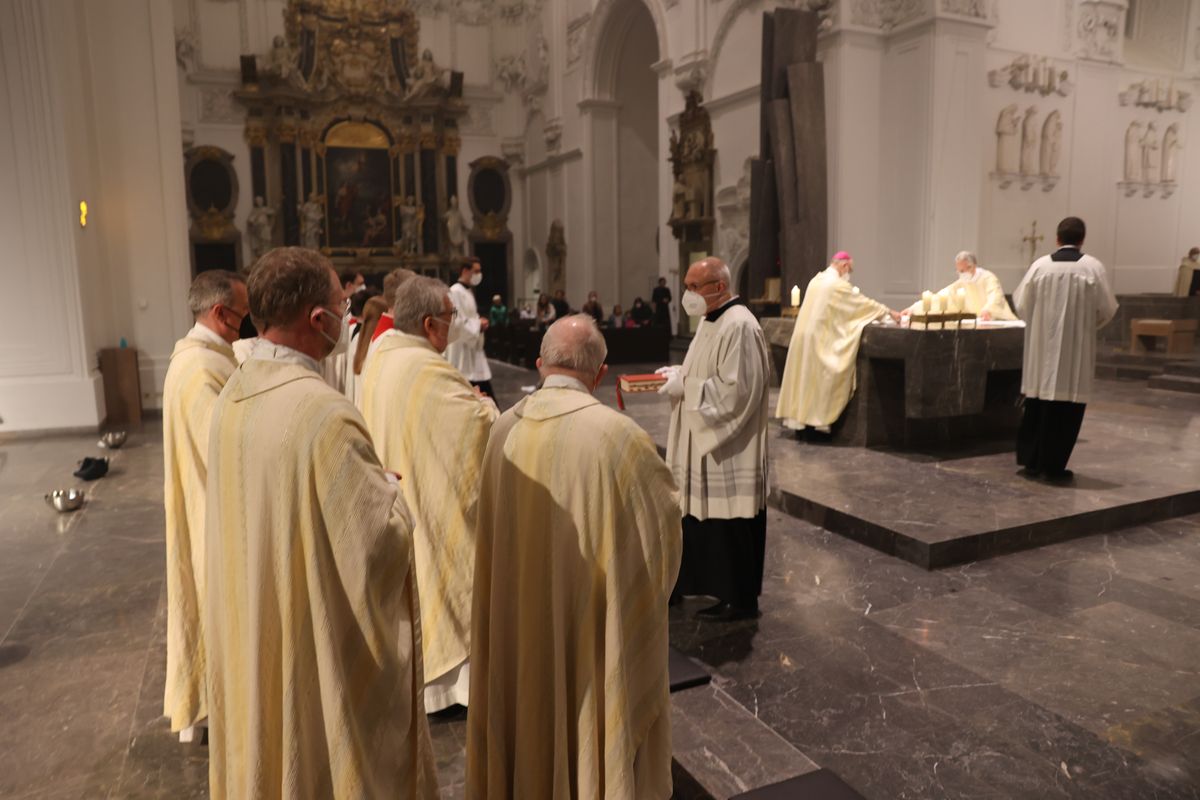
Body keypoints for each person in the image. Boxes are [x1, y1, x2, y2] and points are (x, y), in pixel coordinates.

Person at [205, 247, 437, 799]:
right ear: (318, 319)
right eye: (342, 302)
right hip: (307, 631)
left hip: (254, 612)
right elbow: (374, 543)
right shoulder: (324, 413)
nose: (346, 311)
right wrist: (392, 494)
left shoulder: (234, 392)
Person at [467, 315, 682, 799]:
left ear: (541, 364)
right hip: (590, 632)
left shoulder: (502, 429)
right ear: (600, 373)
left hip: (518, 625)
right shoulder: (618, 438)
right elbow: (661, 538)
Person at [362, 276, 499, 713]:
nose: (453, 324)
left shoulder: (385, 352)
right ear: (428, 324)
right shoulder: (424, 366)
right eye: (448, 317)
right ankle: (452, 689)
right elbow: (474, 428)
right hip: (431, 493)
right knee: (445, 572)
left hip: (406, 482)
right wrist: (486, 407)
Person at [658, 257, 770, 621]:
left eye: (694, 287)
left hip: (727, 449)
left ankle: (738, 599)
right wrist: (681, 373)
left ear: (719, 287)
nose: (687, 294)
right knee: (700, 518)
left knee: (729, 522)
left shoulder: (739, 325)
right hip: (702, 443)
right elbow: (709, 371)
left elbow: (736, 392)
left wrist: (686, 387)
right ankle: (702, 586)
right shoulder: (711, 320)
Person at [161, 269, 246, 743]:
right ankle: (224, 708)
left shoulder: (203, 359)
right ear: (220, 313)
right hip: (214, 516)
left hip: (207, 505)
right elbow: (225, 451)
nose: (246, 326)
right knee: (220, 611)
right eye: (243, 317)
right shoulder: (199, 369)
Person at [1013, 217, 1119, 481]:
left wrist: (1040, 325)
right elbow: (1106, 309)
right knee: (1065, 411)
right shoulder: (1092, 268)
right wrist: (1083, 327)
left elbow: (1021, 304)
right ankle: (1053, 467)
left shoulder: (1039, 266)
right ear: (1082, 239)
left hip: (1040, 352)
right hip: (1075, 352)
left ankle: (1031, 463)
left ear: (1057, 238)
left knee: (1036, 405)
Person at [776, 251, 901, 434]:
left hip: (803, 337)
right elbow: (860, 303)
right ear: (843, 266)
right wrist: (888, 312)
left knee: (804, 382)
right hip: (818, 339)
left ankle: (801, 426)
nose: (848, 274)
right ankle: (812, 426)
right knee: (818, 382)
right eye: (849, 270)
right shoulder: (835, 285)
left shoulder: (816, 280)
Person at [908, 251, 1016, 321]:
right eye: (959, 271)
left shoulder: (988, 278)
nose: (961, 274)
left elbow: (995, 296)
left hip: (996, 320)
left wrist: (988, 309)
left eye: (963, 271)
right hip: (977, 322)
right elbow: (940, 296)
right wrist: (913, 308)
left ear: (972, 267)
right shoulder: (961, 283)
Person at [447, 259, 494, 398]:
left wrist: (479, 321)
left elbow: (470, 315)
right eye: (476, 271)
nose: (479, 274)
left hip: (472, 345)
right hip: (462, 346)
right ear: (465, 271)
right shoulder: (455, 291)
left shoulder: (467, 291)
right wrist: (477, 325)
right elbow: (455, 319)